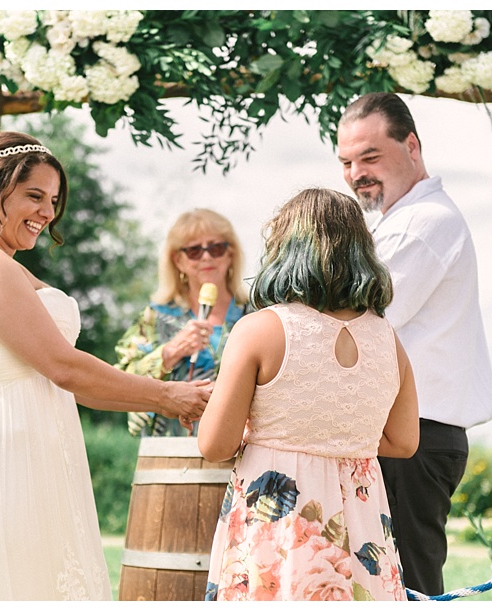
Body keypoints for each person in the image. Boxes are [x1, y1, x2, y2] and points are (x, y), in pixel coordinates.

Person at [0, 131, 210, 600]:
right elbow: (64, 367)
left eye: (52, 199)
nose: (48, 213)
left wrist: (166, 395)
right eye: (34, 196)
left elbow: (79, 386)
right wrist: (168, 396)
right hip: (0, 452)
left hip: (29, 442)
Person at [199, 187, 420, 601]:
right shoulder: (389, 341)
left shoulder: (259, 330)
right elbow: (403, 442)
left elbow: (214, 444)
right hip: (362, 525)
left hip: (281, 528)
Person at [336, 91, 492, 595]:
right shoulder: (398, 222)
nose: (356, 172)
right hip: (403, 434)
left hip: (416, 439)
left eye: (370, 156)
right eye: (346, 161)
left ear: (412, 146)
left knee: (409, 587)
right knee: (379, 584)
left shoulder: (425, 225)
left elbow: (358, 315)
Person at [114, 208, 254, 436]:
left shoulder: (256, 315)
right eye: (194, 251)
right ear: (178, 260)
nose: (206, 257)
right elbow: (118, 383)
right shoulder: (155, 316)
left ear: (230, 255)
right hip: (167, 453)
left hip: (242, 454)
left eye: (216, 248)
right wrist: (171, 351)